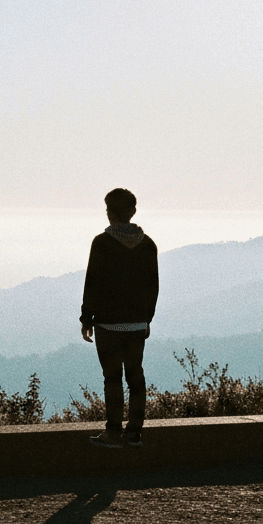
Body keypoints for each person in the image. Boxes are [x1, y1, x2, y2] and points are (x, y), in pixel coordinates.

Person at [81, 188, 159, 449]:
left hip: (108, 323)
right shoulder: (147, 245)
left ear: (110, 213)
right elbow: (153, 287)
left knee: (112, 378)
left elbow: (92, 282)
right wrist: (147, 319)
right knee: (136, 377)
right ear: (133, 212)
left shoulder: (101, 243)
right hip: (137, 323)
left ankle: (113, 433)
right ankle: (134, 433)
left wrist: (86, 318)